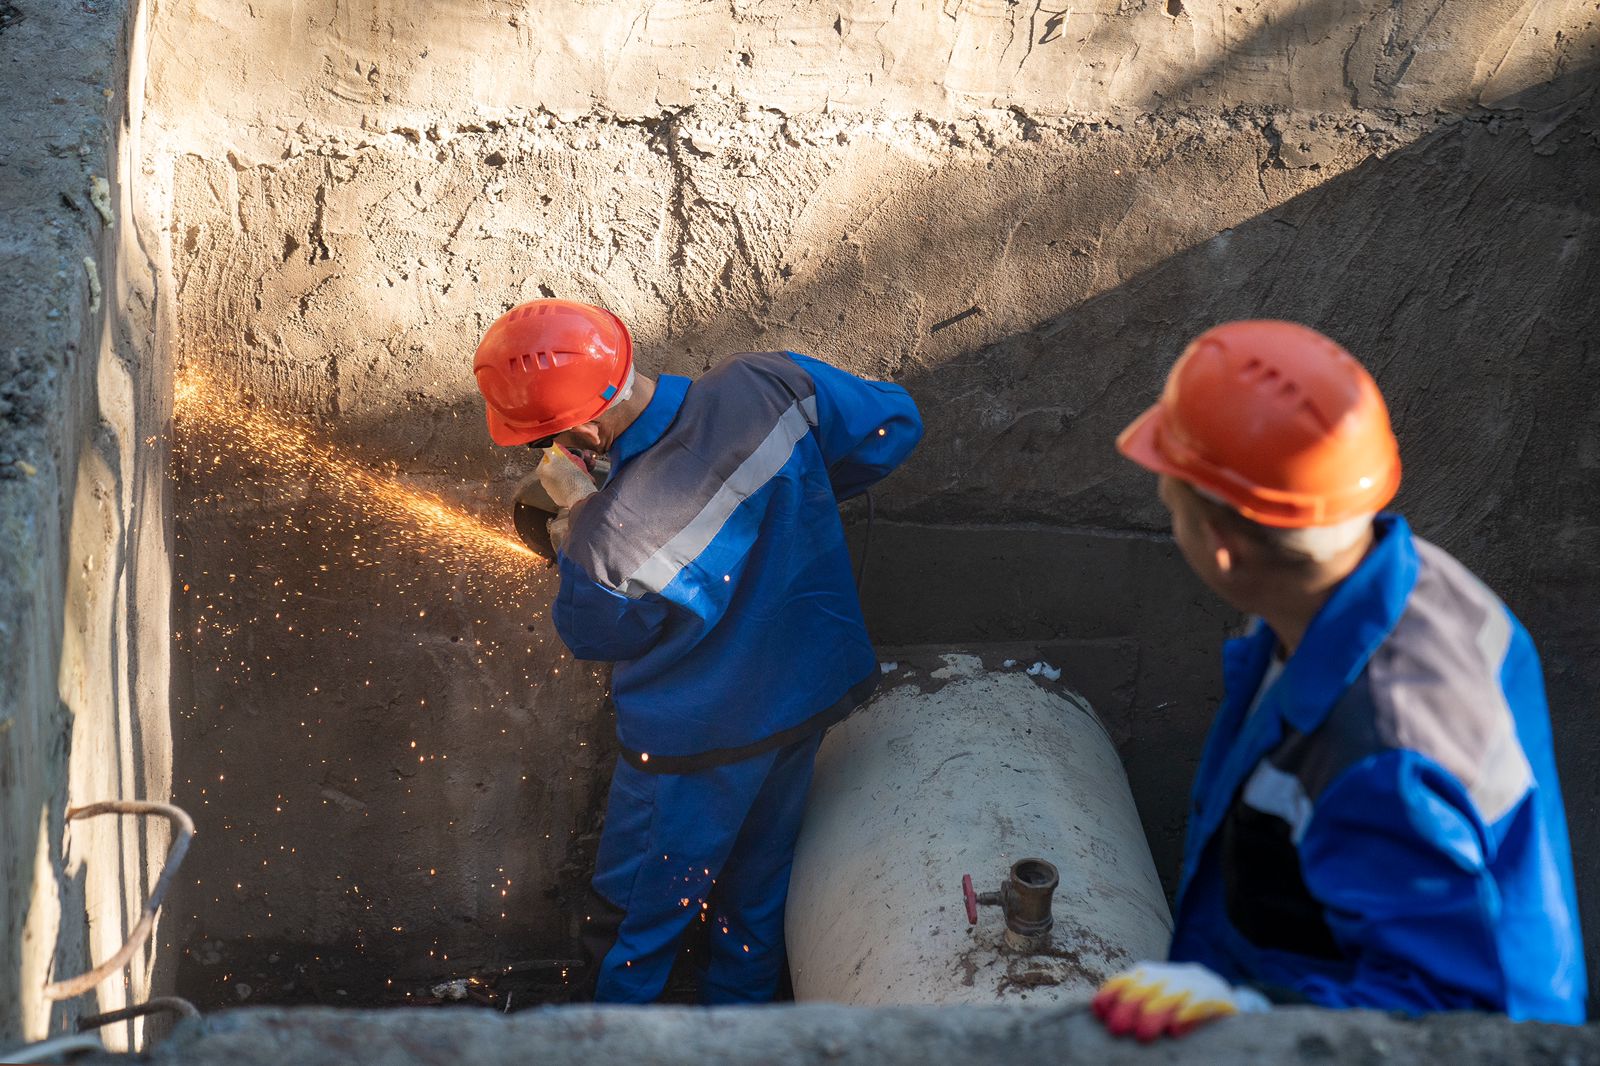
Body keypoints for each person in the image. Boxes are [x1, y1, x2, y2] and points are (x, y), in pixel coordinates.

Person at [1093, 320, 1586, 1040]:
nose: (1172, 524)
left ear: (1225, 551)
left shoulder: (1382, 754)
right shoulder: (1422, 591)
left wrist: (1262, 1016)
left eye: (1174, 510)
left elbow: (1457, 1023)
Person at [471, 298, 922, 1003]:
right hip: (804, 704)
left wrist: (572, 530)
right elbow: (894, 426)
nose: (546, 452)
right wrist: (794, 499)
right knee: (754, 903)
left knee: (632, 925)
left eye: (544, 439)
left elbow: (594, 635)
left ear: (582, 426)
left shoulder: (606, 539)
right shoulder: (770, 384)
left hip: (690, 751)